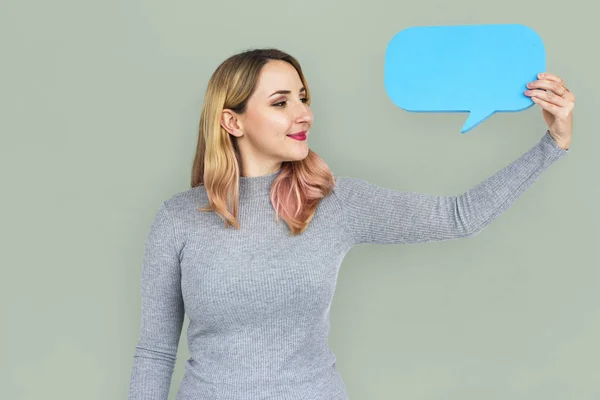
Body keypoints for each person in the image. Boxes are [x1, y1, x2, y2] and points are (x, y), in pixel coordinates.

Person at [128, 48, 575, 399]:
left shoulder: (335, 203)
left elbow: (459, 216)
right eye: (281, 102)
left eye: (303, 98)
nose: (303, 113)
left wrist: (552, 143)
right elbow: (155, 352)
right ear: (232, 121)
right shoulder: (178, 219)